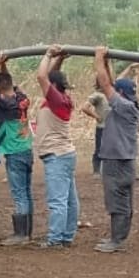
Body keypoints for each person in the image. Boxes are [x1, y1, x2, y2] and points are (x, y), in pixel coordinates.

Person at [93, 47, 139, 253]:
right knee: (121, 199)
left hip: (118, 161)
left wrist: (98, 57)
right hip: (123, 159)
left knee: (117, 199)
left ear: (120, 93)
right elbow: (110, 84)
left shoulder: (124, 106)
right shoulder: (129, 104)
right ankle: (117, 238)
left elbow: (105, 84)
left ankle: (117, 241)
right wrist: (105, 61)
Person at [35, 47, 80, 248]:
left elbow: (41, 76)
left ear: (53, 87)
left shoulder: (56, 100)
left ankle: (55, 239)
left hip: (57, 154)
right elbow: (49, 77)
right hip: (64, 153)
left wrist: (48, 54)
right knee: (69, 198)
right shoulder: (61, 98)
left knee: (58, 200)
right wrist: (58, 59)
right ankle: (66, 236)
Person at [0, 63, 35, 245]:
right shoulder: (21, 98)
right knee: (26, 192)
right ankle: (27, 232)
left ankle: (21, 235)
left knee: (19, 194)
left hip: (14, 151)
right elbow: (7, 83)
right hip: (26, 149)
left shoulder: (4, 102)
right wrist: (2, 65)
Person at [82, 86, 110, 177]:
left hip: (112, 128)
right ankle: (96, 170)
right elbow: (85, 107)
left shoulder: (110, 94)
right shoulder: (98, 95)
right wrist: (96, 116)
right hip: (102, 127)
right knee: (99, 149)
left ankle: (107, 170)